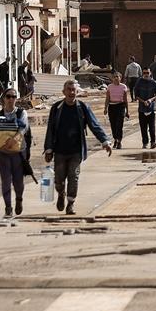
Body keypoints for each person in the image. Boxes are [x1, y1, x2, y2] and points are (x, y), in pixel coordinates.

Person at [43, 80, 112, 215]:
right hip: (60, 151)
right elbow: (50, 129)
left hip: (76, 151)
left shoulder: (83, 107)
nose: (71, 92)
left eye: (73, 90)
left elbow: (94, 125)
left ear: (77, 92)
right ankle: (61, 193)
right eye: (68, 89)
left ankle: (70, 203)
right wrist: (48, 149)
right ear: (63, 92)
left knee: (73, 177)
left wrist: (105, 141)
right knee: (59, 180)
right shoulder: (57, 108)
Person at [0, 88, 29, 217]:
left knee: (18, 181)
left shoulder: (21, 113)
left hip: (18, 152)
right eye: (8, 96)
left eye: (13, 97)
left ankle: (19, 199)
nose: (11, 99)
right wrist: (0, 144)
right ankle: (8, 207)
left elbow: (23, 129)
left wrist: (13, 140)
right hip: (2, 152)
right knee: (6, 180)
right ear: (4, 98)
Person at [131, 68, 156, 150]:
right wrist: (143, 101)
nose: (146, 74)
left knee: (152, 127)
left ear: (150, 73)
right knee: (143, 127)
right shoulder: (139, 82)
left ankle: (153, 142)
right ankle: (145, 142)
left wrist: (150, 100)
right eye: (144, 73)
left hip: (151, 108)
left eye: (147, 72)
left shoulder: (154, 82)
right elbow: (136, 95)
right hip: (142, 108)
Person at [104, 72, 130, 149]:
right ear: (112, 78)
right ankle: (115, 139)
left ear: (120, 78)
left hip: (120, 106)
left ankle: (119, 141)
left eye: (117, 77)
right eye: (114, 77)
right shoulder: (109, 87)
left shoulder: (123, 87)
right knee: (113, 124)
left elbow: (125, 100)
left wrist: (127, 111)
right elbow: (107, 98)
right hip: (112, 107)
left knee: (119, 124)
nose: (116, 78)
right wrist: (105, 108)